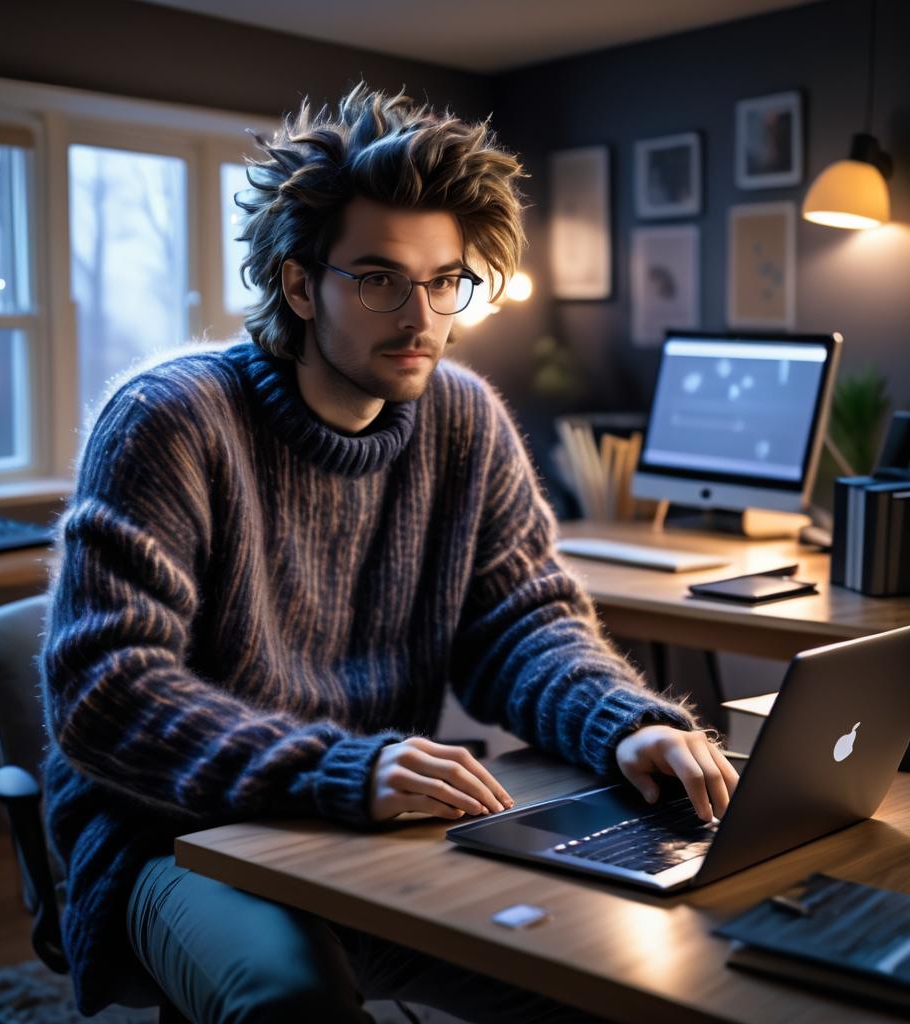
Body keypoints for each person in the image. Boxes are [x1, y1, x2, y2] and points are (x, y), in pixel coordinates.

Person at [41, 82, 738, 1023]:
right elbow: (106, 691)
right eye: (378, 279)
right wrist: (338, 769)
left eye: (445, 280)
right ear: (298, 283)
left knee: (617, 973)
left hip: (369, 820)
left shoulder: (464, 420)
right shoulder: (168, 421)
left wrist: (623, 721)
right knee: (294, 1004)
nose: (421, 318)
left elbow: (522, 626)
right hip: (172, 830)